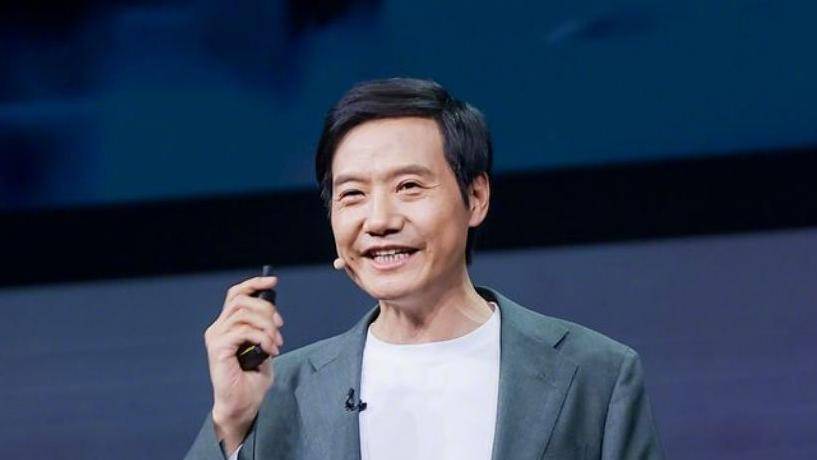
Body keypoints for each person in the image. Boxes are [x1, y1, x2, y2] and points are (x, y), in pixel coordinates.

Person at [185, 78, 664, 460]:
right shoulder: (282, 391)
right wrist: (231, 421)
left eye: (409, 186)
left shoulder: (596, 373)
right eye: (353, 194)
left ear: (475, 197)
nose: (379, 220)